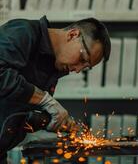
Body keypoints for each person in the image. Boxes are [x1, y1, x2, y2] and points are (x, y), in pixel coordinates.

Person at [0, 16, 111, 162]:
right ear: (73, 35)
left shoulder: (51, 68)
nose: (78, 70)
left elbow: (16, 111)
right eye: (82, 59)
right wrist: (45, 100)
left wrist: (50, 121)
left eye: (85, 67)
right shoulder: (22, 31)